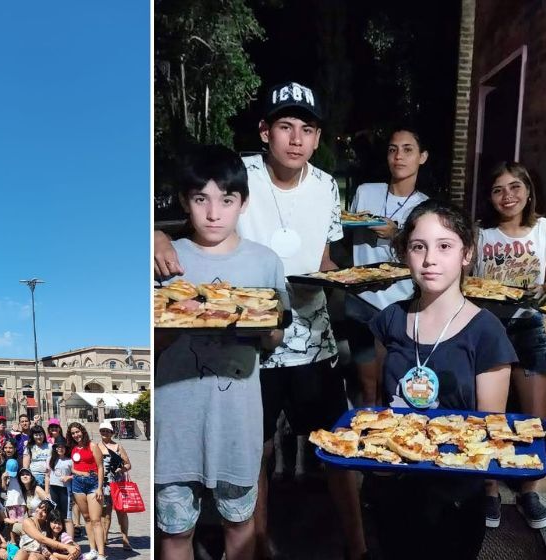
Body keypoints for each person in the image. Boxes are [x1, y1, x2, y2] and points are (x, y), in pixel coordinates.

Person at [153, 82, 366, 560]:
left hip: (310, 338)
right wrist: (155, 236)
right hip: (246, 356)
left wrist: (351, 280)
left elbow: (324, 257)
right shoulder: (239, 175)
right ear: (265, 131)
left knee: (335, 448)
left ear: (316, 138)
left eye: (307, 129)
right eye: (285, 126)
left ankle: (358, 547)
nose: (296, 139)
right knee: (256, 454)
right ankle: (258, 546)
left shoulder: (327, 185)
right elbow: (199, 211)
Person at [153, 144, 286, 560]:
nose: (213, 213)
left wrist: (263, 326)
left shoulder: (264, 263)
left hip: (238, 425)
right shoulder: (165, 260)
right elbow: (154, 342)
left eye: (226, 200)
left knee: (239, 526)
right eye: (200, 200)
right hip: (175, 426)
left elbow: (275, 336)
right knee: (175, 533)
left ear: (242, 203)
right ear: (184, 202)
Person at [366, 199, 516, 560]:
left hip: (455, 496)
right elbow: (377, 403)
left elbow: (489, 431)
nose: (430, 258)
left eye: (444, 246)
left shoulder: (487, 332)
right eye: (419, 247)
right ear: (406, 254)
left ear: (466, 254)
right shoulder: (390, 319)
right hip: (392, 487)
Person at [472, 160, 546, 530]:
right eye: (498, 189)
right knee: (489, 414)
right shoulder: (480, 233)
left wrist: (544, 288)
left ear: (528, 191)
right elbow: (464, 280)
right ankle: (488, 488)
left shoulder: (543, 229)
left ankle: (528, 489)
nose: (508, 196)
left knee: (536, 416)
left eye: (515, 187)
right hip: (489, 327)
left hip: (529, 325)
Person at [345, 125, 432, 407]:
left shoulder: (425, 207)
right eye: (393, 149)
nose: (399, 156)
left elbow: (426, 257)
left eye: (408, 150)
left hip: (399, 303)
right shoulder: (366, 192)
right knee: (366, 387)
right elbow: (343, 233)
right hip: (360, 298)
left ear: (422, 157)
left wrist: (397, 235)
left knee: (390, 385)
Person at [66, 422, 106, 559]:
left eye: (77, 432)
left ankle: (101, 554)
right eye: (73, 433)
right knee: (87, 519)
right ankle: (92, 549)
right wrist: (79, 473)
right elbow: (71, 467)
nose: (76, 435)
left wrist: (100, 487)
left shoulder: (92, 446)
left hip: (93, 484)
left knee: (96, 520)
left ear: (82, 431)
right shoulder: (72, 448)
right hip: (77, 484)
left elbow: (100, 467)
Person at [97, 421, 132, 552]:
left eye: (107, 431)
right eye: (102, 431)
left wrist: (121, 469)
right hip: (104, 484)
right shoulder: (96, 446)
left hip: (118, 484)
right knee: (105, 513)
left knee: (122, 512)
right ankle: (104, 537)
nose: (105, 433)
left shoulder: (118, 446)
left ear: (112, 433)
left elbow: (128, 464)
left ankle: (125, 539)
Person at [16, 501, 80, 560]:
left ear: (48, 515)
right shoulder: (28, 521)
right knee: (22, 552)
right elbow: (42, 539)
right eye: (39, 507)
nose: (40, 511)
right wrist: (67, 547)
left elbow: (69, 540)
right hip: (26, 551)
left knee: (33, 556)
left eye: (44, 511)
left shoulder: (49, 525)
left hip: (41, 554)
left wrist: (76, 550)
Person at [46, 441, 74, 537]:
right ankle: (54, 538)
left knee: (67, 517)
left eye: (62, 447)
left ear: (66, 448)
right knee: (54, 515)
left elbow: (76, 474)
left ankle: (70, 541)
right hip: (53, 489)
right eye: (58, 447)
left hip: (65, 490)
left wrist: (68, 477)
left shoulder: (70, 460)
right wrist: (47, 491)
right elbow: (47, 475)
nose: (60, 449)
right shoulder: (50, 459)